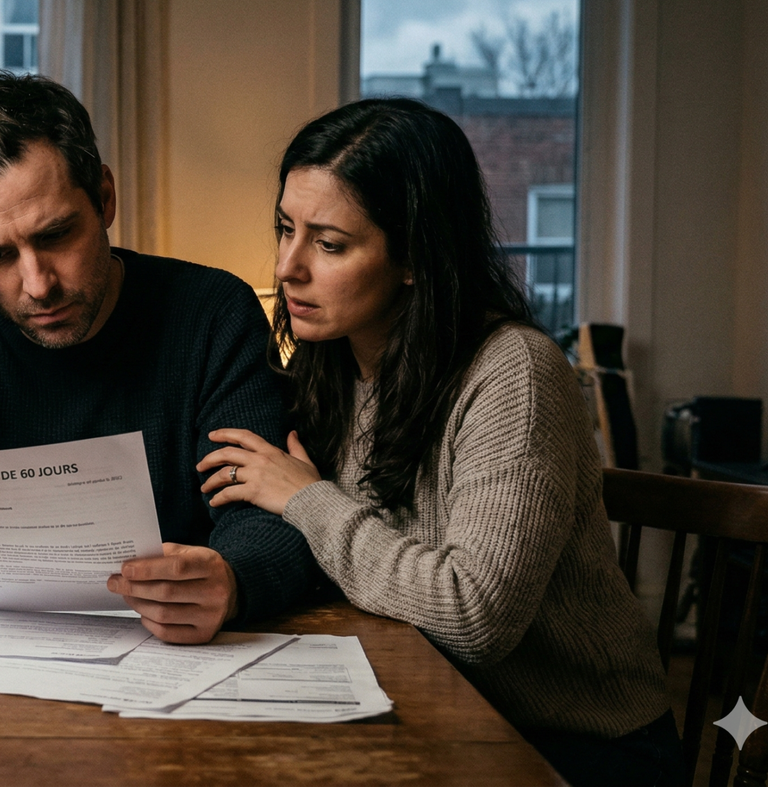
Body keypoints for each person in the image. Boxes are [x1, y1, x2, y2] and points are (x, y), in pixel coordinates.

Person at [201, 99, 680, 786]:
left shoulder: (515, 373)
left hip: (577, 746)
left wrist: (308, 499)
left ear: (414, 259)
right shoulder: (330, 363)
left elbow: (472, 615)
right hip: (428, 709)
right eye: (285, 228)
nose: (287, 267)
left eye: (329, 244)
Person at [0, 71, 318, 643]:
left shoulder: (211, 312)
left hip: (174, 656)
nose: (38, 285)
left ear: (105, 198)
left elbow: (269, 509)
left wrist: (234, 581)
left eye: (55, 236)